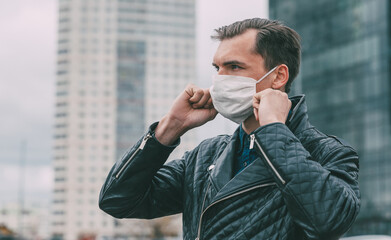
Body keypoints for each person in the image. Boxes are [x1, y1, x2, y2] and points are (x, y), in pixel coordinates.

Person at [99, 18, 360, 240]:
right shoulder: (205, 157)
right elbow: (117, 199)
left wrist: (273, 130)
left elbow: (329, 220)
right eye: (217, 68)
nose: (221, 79)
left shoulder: (328, 153)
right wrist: (170, 127)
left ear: (279, 76)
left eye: (234, 67)